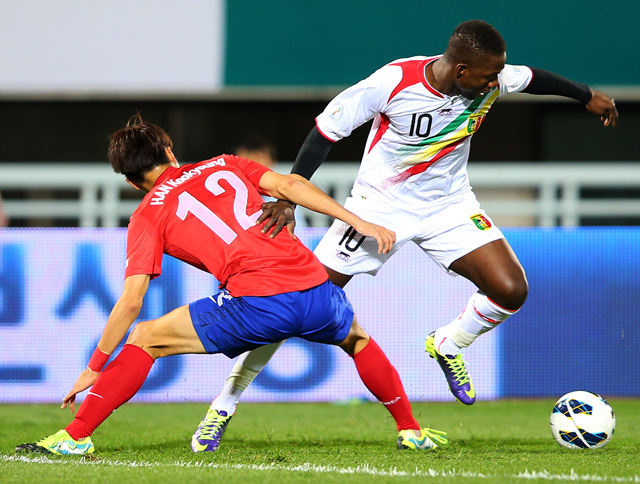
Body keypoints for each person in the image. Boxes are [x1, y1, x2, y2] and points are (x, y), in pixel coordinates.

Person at [205, 19, 619, 440]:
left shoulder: (490, 78)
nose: (496, 83)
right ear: (460, 70)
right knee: (293, 305)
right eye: (487, 76)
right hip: (379, 210)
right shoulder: (393, 83)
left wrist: (586, 96)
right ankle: (225, 403)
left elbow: (533, 78)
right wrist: (289, 196)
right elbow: (324, 134)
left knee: (511, 289)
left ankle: (449, 343)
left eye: (498, 74)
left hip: (450, 206)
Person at [15, 114, 447, 456]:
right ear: (170, 150)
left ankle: (75, 436)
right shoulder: (225, 164)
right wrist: (358, 220)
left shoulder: (147, 215)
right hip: (315, 286)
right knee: (357, 339)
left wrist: (94, 367)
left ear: (130, 182)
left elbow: (131, 301)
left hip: (259, 302)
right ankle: (411, 430)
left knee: (145, 336)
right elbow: (291, 185)